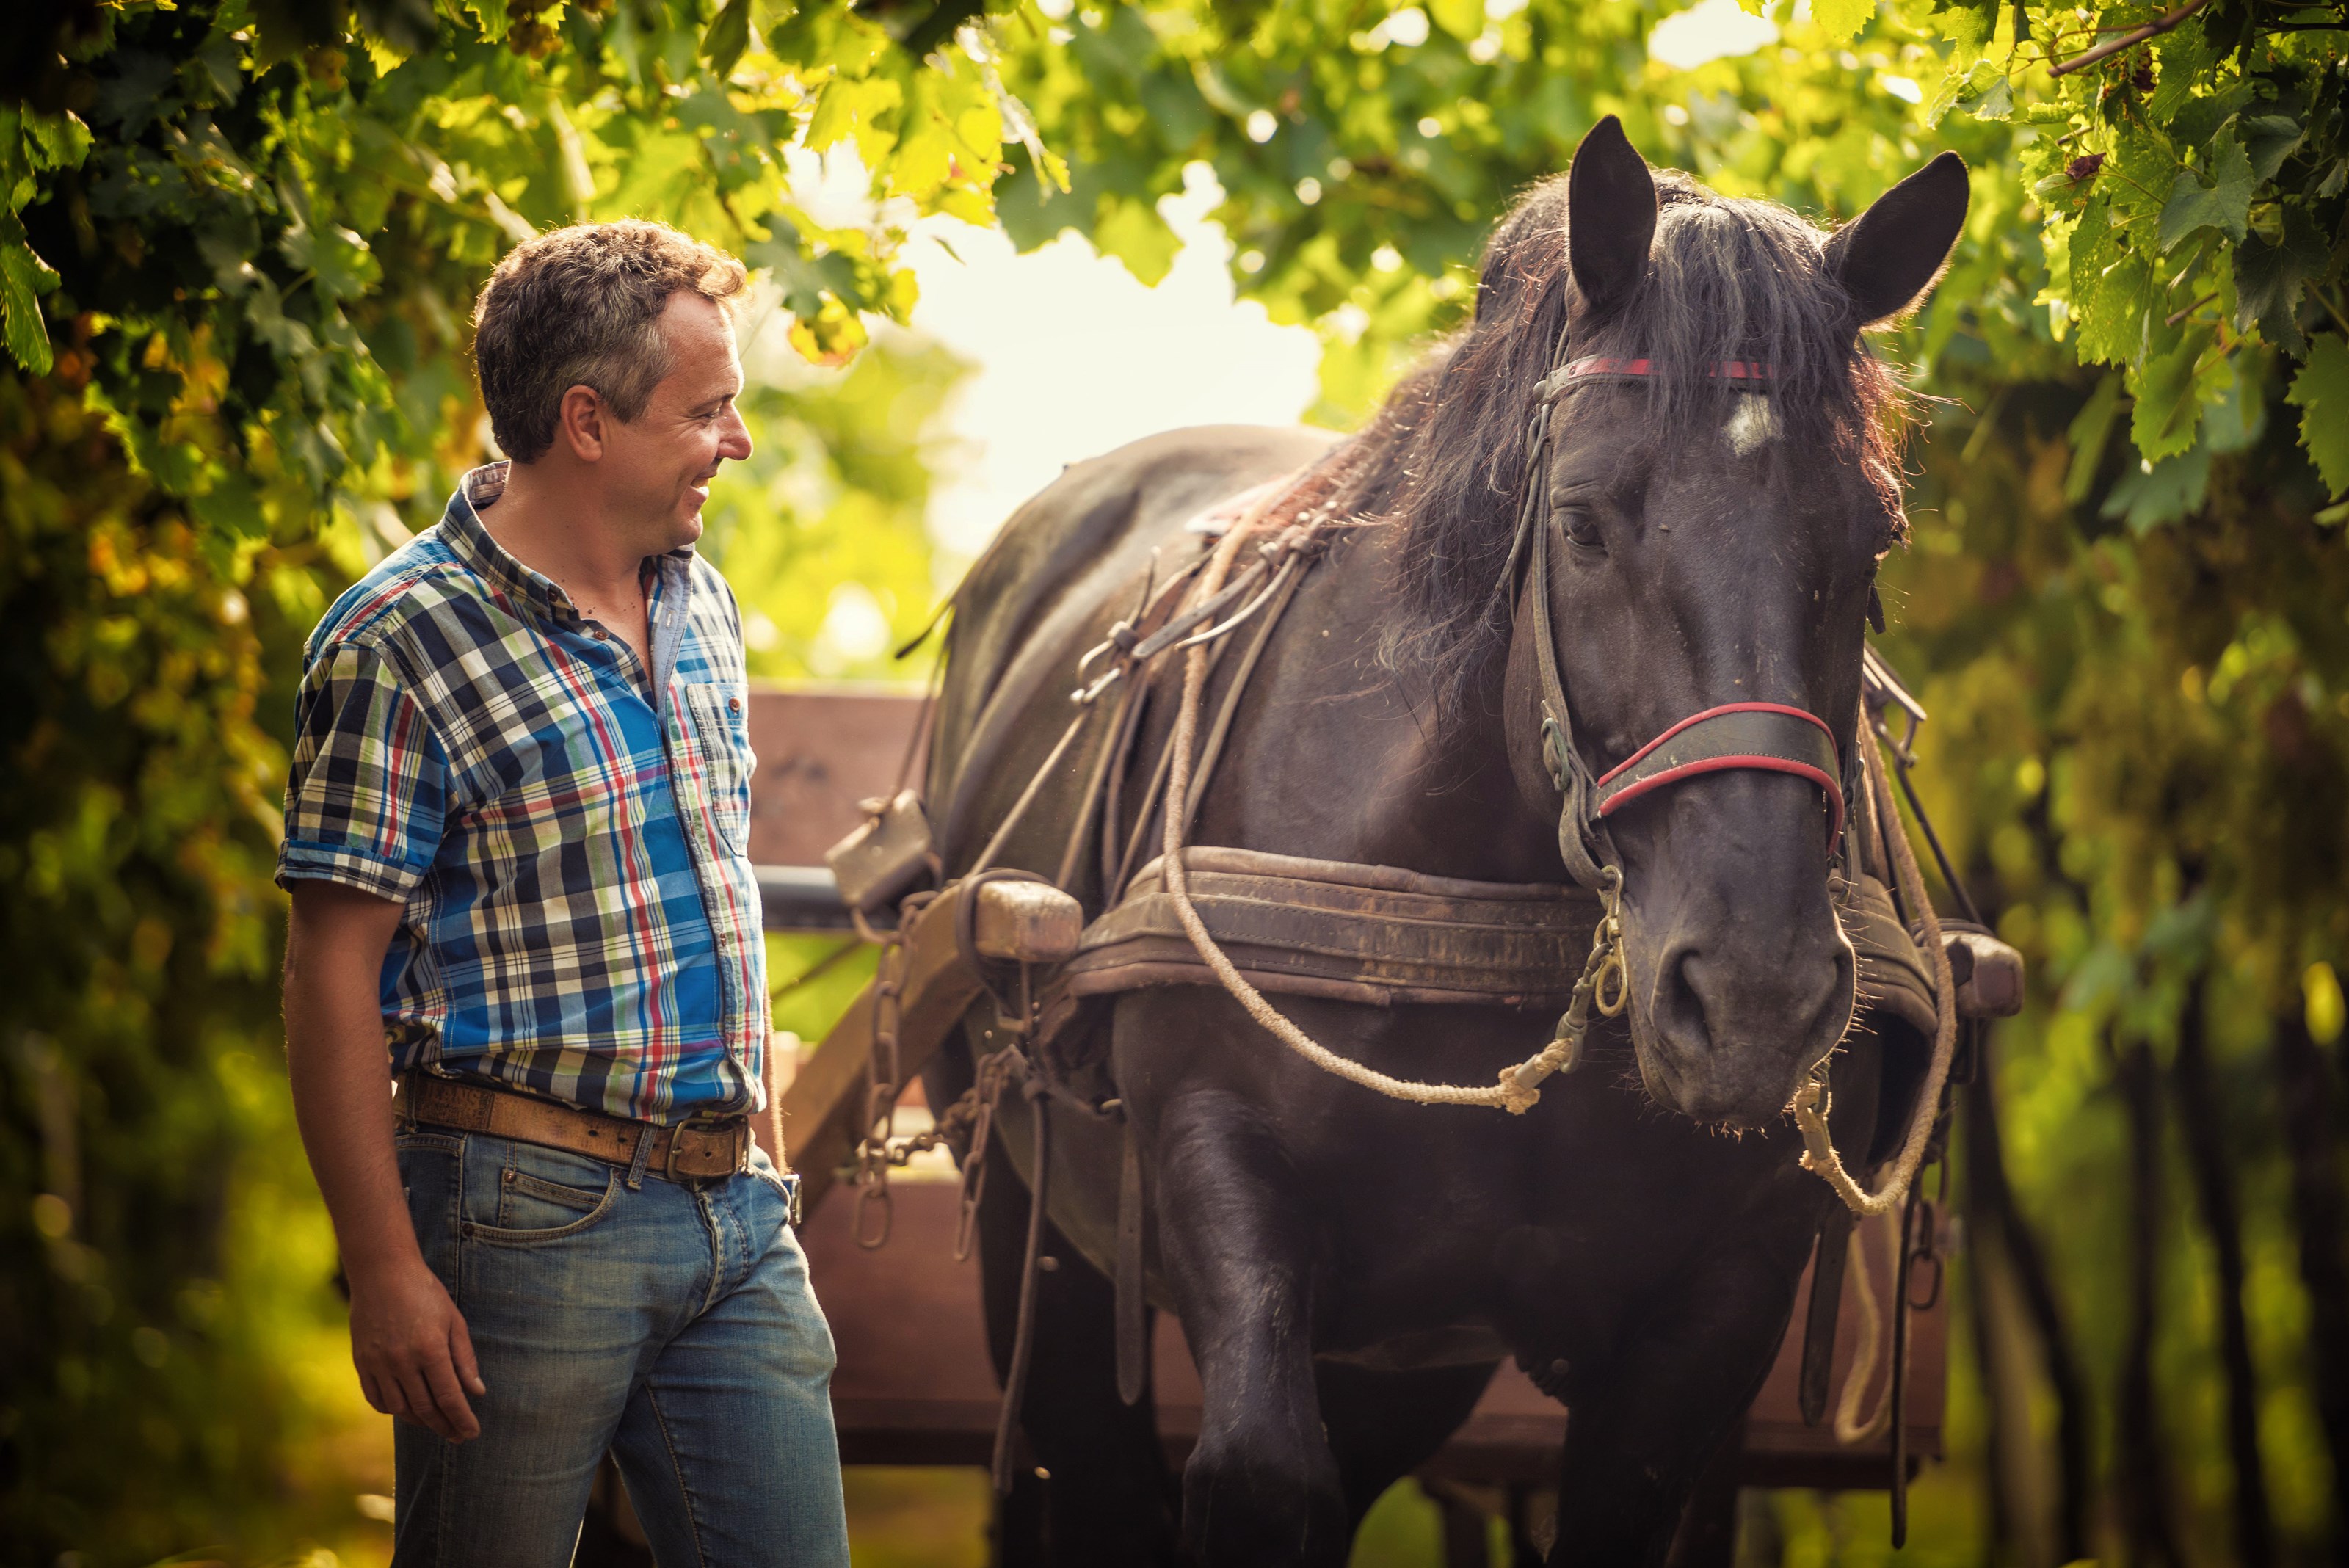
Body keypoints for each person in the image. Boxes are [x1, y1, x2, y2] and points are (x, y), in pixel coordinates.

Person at [277, 219, 849, 1567]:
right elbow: (327, 977)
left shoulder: (701, 600)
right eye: (708, 411)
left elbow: (704, 887)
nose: (739, 442)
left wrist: (752, 1127)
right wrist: (383, 1267)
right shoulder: (397, 641)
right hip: (526, 1224)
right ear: (587, 421)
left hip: (737, 1220)